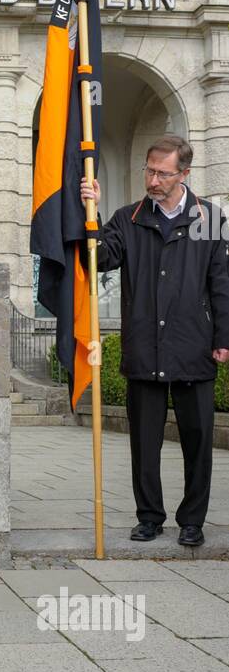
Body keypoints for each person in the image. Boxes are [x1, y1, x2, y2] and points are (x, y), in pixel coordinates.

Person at [81, 134, 229, 547]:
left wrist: (224, 337)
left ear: (184, 173)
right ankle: (149, 517)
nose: (153, 180)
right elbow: (99, 259)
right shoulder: (128, 219)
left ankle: (192, 521)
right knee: (144, 444)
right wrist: (88, 211)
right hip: (144, 346)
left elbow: (221, 284)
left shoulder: (210, 220)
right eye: (149, 170)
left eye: (163, 173)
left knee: (197, 442)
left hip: (193, 346)